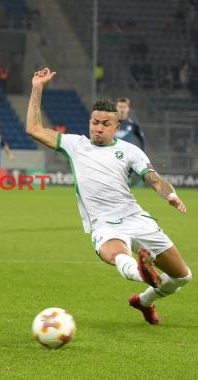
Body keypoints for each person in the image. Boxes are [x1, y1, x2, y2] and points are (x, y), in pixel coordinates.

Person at [26, 68, 192, 325]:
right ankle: (142, 273)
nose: (98, 128)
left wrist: (169, 195)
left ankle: (144, 301)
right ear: (89, 122)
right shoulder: (75, 145)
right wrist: (38, 87)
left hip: (136, 217)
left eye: (105, 124)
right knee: (119, 255)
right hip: (104, 223)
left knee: (183, 277)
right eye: (95, 122)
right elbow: (34, 128)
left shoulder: (129, 151)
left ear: (117, 126)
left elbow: (154, 179)